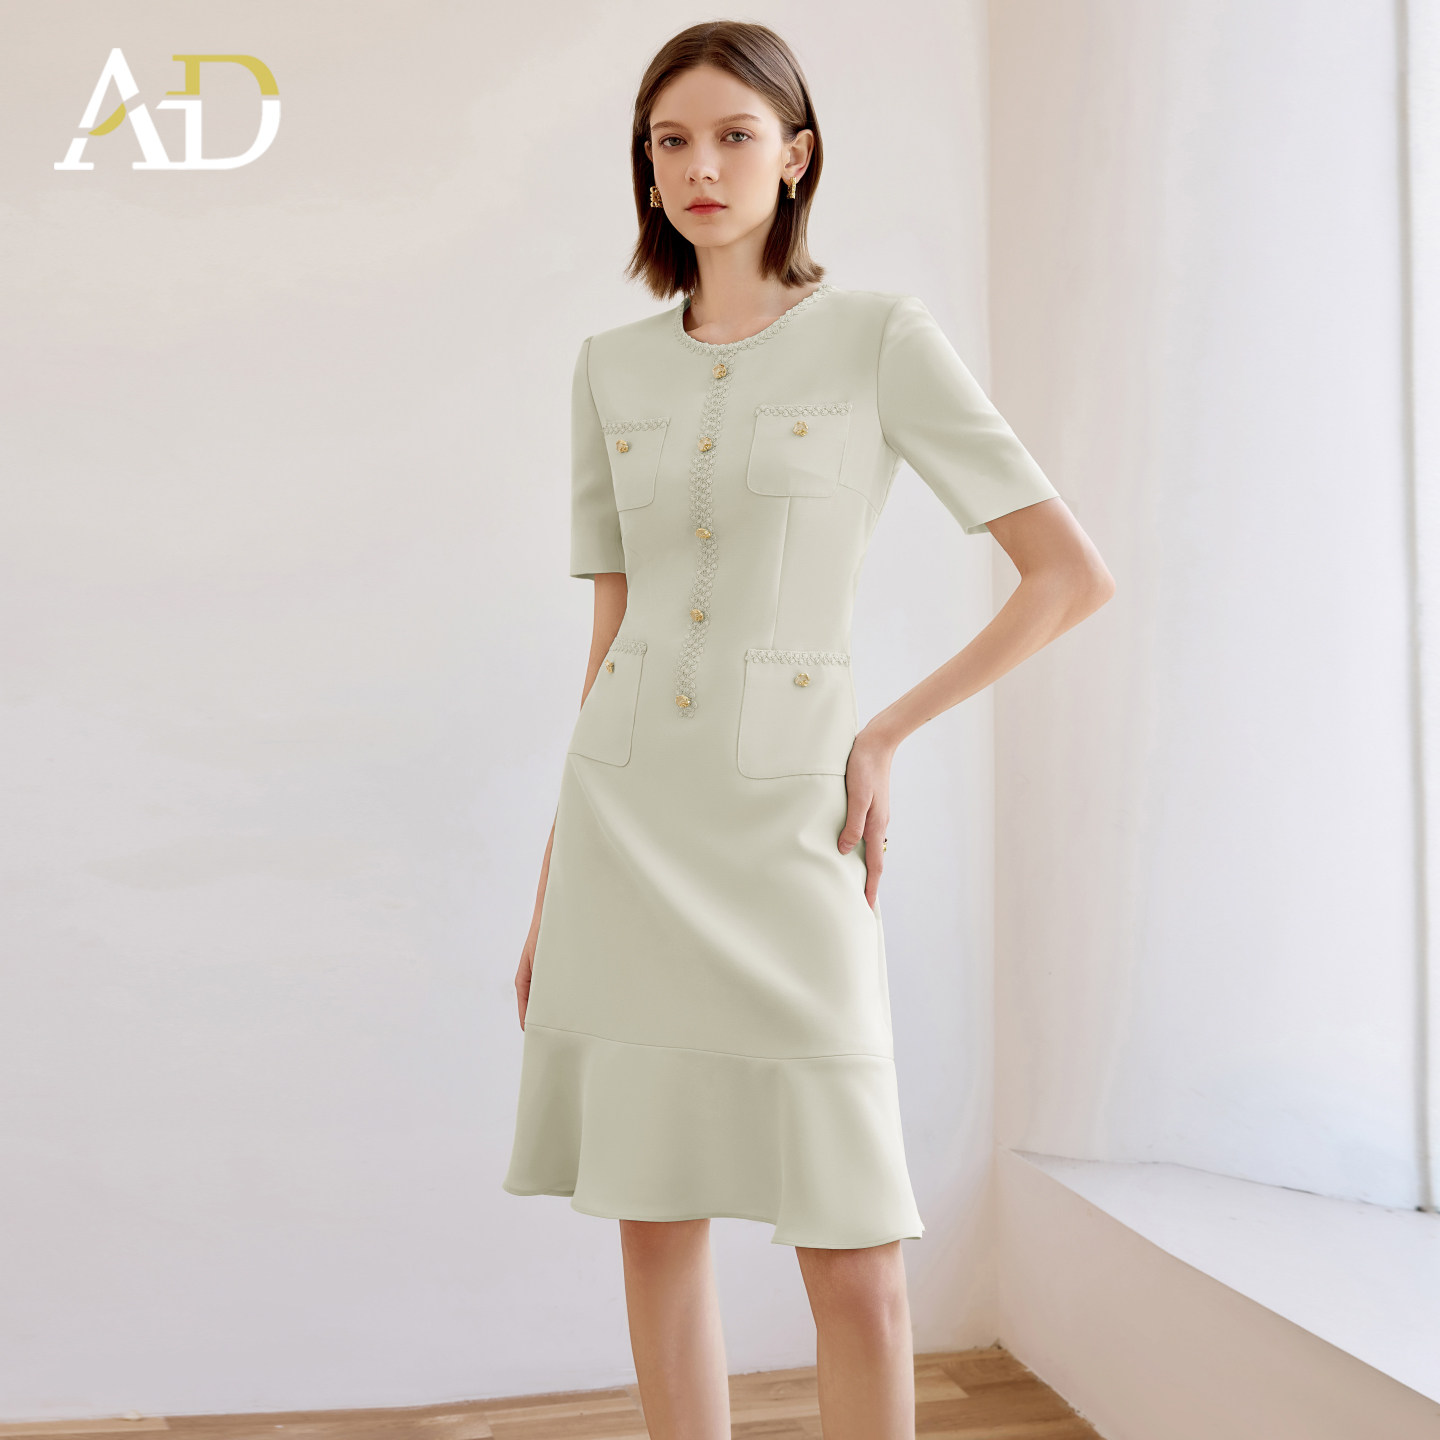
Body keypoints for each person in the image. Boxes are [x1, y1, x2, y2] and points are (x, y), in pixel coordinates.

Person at [502, 20, 1114, 1440]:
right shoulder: (609, 368)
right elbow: (612, 632)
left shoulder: (878, 338)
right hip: (625, 824)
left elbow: (1067, 576)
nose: (700, 167)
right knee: (654, 1223)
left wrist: (883, 735)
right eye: (670, 141)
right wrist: (551, 884)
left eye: (734, 135)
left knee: (856, 1262)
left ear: (797, 156)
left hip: (789, 823)